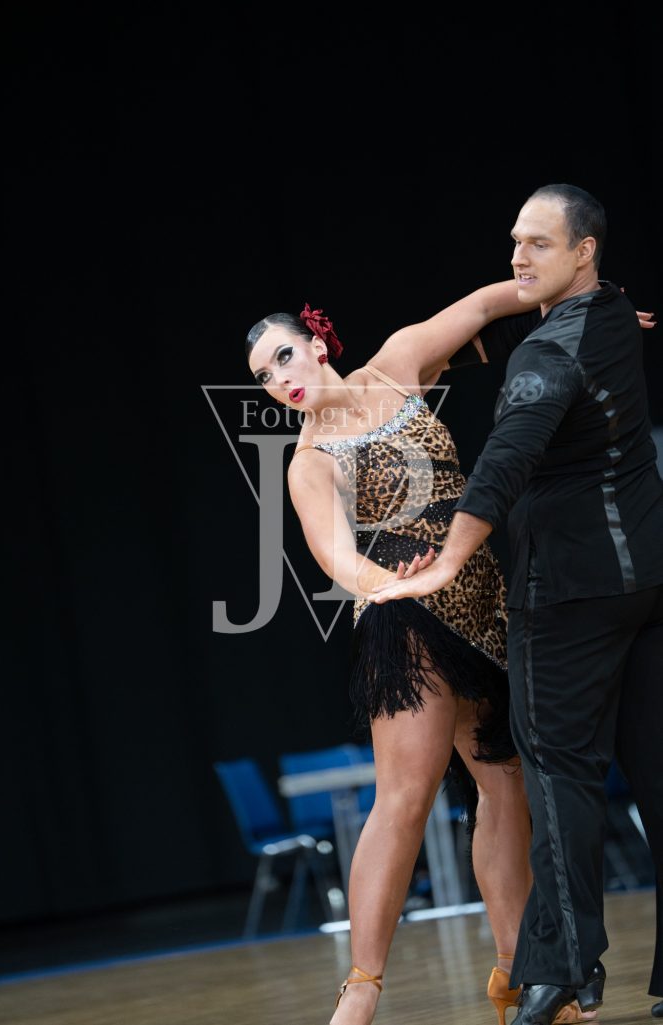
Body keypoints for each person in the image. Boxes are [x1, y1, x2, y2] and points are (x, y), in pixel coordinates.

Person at [245, 283, 599, 1025]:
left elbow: (482, 309)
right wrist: (390, 584)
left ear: (316, 343)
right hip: (408, 619)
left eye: (283, 357)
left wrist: (575, 299)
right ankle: (361, 987)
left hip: (485, 605)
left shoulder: (396, 363)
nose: (279, 379)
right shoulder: (309, 460)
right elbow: (336, 557)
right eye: (264, 377)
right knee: (404, 798)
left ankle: (517, 973)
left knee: (503, 786)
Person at [368, 183, 663, 1025]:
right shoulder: (609, 314)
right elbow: (488, 318)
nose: (516, 257)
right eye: (513, 241)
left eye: (537, 243)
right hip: (644, 578)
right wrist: (587, 292)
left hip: (567, 593)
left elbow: (503, 457)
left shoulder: (546, 355)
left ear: (584, 251)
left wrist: (447, 559)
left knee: (559, 774)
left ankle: (561, 970)